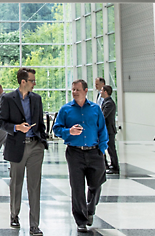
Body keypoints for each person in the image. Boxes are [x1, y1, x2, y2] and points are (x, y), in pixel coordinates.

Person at [53, 79, 109, 233]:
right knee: (77, 187)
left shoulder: (95, 109)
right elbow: (56, 129)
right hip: (75, 152)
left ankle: (90, 209)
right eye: (73, 90)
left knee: (96, 183)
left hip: (94, 151)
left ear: (85, 91)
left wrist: (102, 149)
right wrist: (68, 131)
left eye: (77, 89)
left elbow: (102, 130)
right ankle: (81, 220)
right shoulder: (66, 110)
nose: (75, 92)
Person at [0, 68, 47, 236]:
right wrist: (16, 127)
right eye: (32, 80)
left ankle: (34, 225)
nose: (34, 83)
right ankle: (14, 215)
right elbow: (1, 123)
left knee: (34, 186)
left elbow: (40, 122)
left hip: (35, 146)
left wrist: (42, 140)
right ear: (23, 82)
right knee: (16, 183)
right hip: (17, 146)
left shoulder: (37, 99)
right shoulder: (8, 98)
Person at [101, 85, 119, 174]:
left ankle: (115, 166)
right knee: (109, 148)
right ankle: (110, 165)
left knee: (111, 149)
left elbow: (103, 116)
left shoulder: (109, 103)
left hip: (109, 130)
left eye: (101, 91)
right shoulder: (106, 102)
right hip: (107, 130)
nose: (100, 92)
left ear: (105, 92)